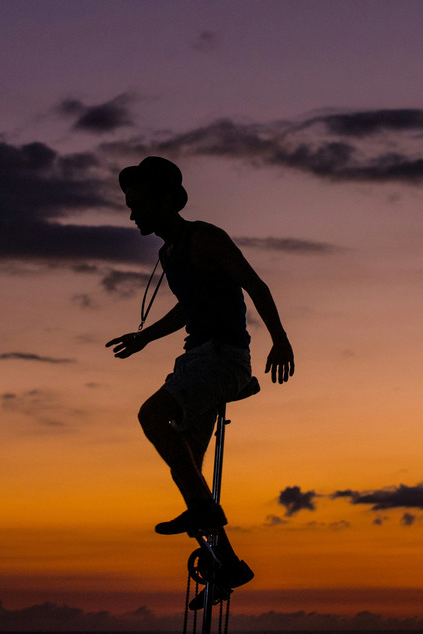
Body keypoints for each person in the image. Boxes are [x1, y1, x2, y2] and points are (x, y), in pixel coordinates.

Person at [106, 156, 295, 596]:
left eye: (138, 204)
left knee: (153, 417)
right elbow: (186, 307)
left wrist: (280, 341)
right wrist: (145, 338)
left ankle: (206, 514)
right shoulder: (168, 253)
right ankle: (227, 564)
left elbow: (255, 285)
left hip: (226, 359)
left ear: (167, 200)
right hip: (195, 360)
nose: (132, 213)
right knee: (186, 467)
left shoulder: (205, 238)